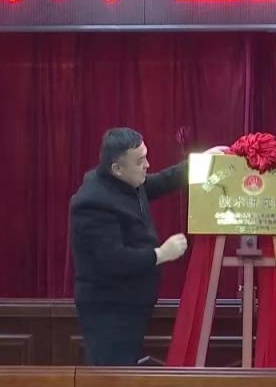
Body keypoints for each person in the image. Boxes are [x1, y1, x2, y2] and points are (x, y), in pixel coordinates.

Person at [69, 127, 223, 366]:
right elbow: (114, 259)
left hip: (131, 302)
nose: (147, 165)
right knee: (113, 374)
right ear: (117, 168)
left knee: (127, 369)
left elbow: (160, 182)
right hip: (109, 308)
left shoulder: (126, 181)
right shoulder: (92, 203)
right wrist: (161, 254)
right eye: (140, 161)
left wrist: (200, 164)